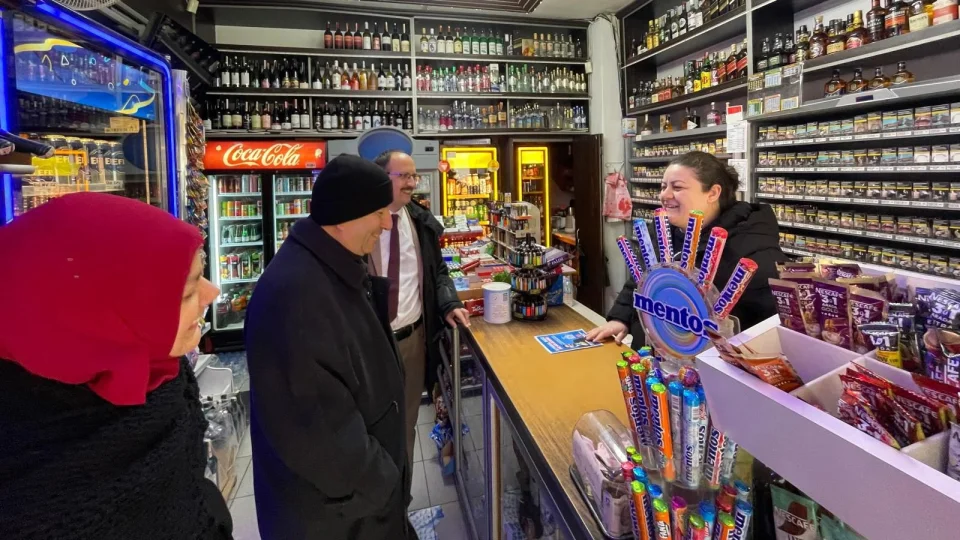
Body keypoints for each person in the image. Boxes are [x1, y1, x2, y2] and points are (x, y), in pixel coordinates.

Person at [0, 193, 231, 539]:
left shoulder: (162, 375)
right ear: (94, 320)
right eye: (187, 292)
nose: (211, 293)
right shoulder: (33, 487)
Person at [245, 154, 417, 540]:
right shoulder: (294, 298)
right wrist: (385, 484)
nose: (387, 224)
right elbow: (322, 438)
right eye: (379, 213)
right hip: (341, 520)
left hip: (360, 510)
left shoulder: (332, 266)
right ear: (343, 216)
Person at [587, 151, 787, 346]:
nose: (664, 195)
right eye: (663, 186)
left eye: (677, 187)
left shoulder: (753, 247)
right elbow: (640, 280)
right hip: (651, 356)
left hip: (708, 363)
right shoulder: (662, 230)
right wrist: (620, 318)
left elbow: (770, 326)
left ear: (713, 193)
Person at [370, 149, 469, 478]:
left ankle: (401, 494)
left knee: (407, 422)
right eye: (404, 176)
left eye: (414, 176)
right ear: (382, 178)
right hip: (370, 343)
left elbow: (438, 271)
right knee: (370, 424)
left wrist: (450, 303)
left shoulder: (420, 222)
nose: (412, 183)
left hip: (412, 341)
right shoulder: (361, 221)